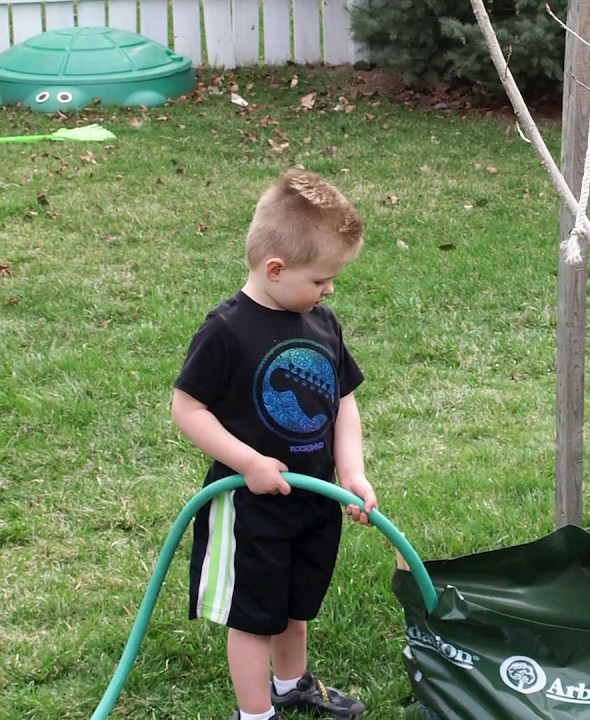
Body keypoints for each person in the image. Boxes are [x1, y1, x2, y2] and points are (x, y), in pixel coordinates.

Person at [172, 167, 376, 720]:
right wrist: (248, 462)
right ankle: (256, 713)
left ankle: (291, 686)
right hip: (249, 505)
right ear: (275, 268)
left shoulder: (321, 323)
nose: (329, 289)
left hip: (314, 498)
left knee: (293, 604)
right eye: (321, 279)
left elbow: (344, 403)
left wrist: (352, 472)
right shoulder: (227, 329)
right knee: (253, 616)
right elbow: (187, 409)